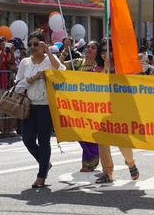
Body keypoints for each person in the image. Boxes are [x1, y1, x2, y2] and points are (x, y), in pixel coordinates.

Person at [15, 31, 65, 188]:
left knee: (44, 141)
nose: (32, 47)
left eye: (36, 44)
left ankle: (41, 175)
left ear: (43, 45)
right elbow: (17, 85)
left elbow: (61, 71)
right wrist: (32, 79)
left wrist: (49, 52)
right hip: (29, 105)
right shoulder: (25, 62)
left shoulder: (50, 60)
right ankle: (45, 163)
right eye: (29, 44)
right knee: (28, 140)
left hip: (46, 105)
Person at [95, 39, 140, 184]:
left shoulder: (123, 67)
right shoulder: (98, 68)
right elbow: (95, 87)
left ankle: (130, 163)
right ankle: (107, 172)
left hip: (121, 108)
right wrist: (104, 70)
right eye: (102, 51)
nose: (105, 54)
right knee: (102, 140)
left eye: (109, 50)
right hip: (103, 109)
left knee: (121, 139)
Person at [64, 40, 101, 172]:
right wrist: (65, 50)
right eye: (88, 47)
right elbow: (59, 65)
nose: (89, 49)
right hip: (77, 105)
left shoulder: (99, 66)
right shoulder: (78, 63)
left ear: (98, 52)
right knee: (79, 132)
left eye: (93, 47)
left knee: (91, 133)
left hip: (94, 105)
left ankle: (90, 161)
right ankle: (89, 160)